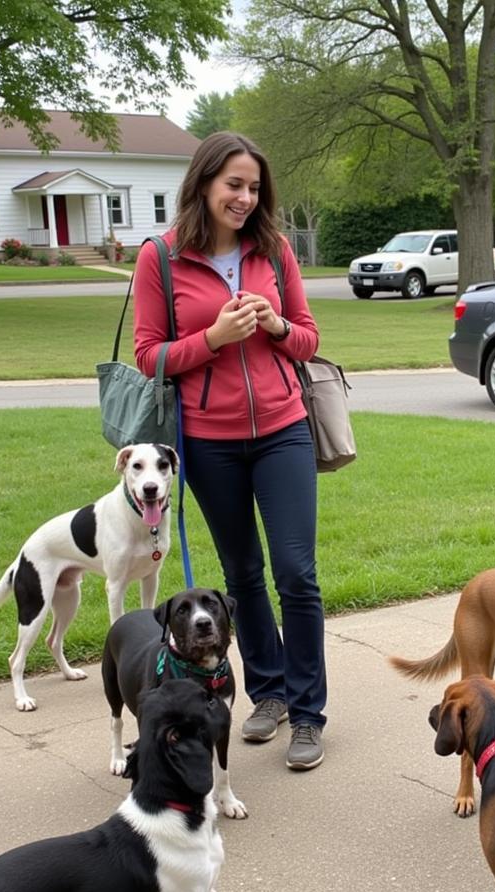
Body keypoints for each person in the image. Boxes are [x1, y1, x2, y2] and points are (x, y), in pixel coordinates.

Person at [134, 131, 328, 771]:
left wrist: (274, 325)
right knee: (242, 574)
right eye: (233, 185)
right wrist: (213, 338)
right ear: (204, 184)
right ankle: (266, 693)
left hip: (282, 428)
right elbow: (150, 356)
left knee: (296, 572)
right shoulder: (160, 258)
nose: (245, 198)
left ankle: (307, 712)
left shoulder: (273, 251)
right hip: (208, 440)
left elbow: (307, 336)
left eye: (253, 187)